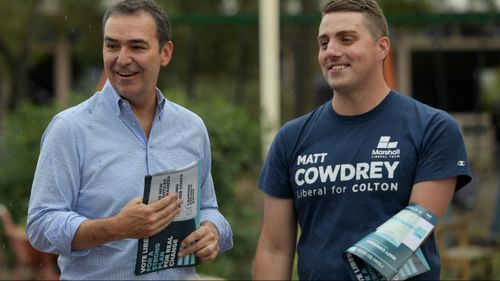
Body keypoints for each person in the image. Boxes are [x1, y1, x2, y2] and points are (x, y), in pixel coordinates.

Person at [253, 0, 472, 280]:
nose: (331, 51)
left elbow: (407, 237)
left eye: (346, 39)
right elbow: (274, 249)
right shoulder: (291, 138)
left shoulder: (432, 128)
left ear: (382, 48)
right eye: (323, 43)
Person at [26, 0, 233, 279]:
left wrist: (213, 231)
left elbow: (208, 208)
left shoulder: (192, 128)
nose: (122, 58)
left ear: (165, 53)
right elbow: (40, 226)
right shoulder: (69, 129)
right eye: (112, 46)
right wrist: (116, 227)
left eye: (136, 46)